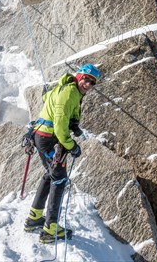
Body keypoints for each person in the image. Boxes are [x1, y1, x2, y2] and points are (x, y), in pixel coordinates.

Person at [24, 64, 99, 243]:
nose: (88, 84)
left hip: (40, 135)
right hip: (49, 138)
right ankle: (50, 229)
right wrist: (71, 145)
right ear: (79, 76)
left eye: (92, 82)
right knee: (59, 179)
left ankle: (34, 218)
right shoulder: (70, 92)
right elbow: (58, 126)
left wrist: (73, 122)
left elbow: (47, 98)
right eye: (86, 79)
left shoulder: (65, 88)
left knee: (50, 175)